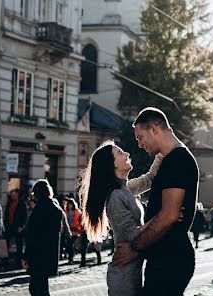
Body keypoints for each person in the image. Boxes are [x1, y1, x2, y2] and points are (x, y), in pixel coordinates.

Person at [111, 107, 200, 295]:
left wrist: (134, 248)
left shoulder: (177, 160)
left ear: (153, 129)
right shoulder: (170, 158)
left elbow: (169, 215)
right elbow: (151, 183)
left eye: (140, 137)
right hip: (165, 258)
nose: (139, 144)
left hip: (170, 259)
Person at [78, 140, 163, 295]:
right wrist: (164, 217)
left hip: (131, 274)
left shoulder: (125, 189)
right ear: (112, 165)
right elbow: (132, 235)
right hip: (123, 280)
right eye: (120, 153)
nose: (127, 154)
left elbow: (150, 178)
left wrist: (161, 150)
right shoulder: (116, 196)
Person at [23, 179, 69, 296]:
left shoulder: (39, 210)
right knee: (42, 286)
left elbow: (32, 235)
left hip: (38, 253)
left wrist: (26, 256)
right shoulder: (56, 209)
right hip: (50, 253)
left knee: (36, 288)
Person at [5, 188, 28, 266]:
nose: (12, 196)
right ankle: (6, 259)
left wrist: (21, 226)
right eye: (11, 195)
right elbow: (7, 214)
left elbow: (25, 216)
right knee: (7, 242)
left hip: (18, 226)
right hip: (10, 225)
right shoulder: (9, 203)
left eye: (14, 195)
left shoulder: (22, 203)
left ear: (17, 195)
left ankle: (18, 260)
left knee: (19, 244)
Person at [63, 198, 83, 263]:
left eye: (71, 205)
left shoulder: (77, 211)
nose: (70, 206)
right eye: (69, 205)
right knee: (68, 244)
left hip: (75, 230)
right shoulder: (66, 211)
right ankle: (72, 254)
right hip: (68, 229)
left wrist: (79, 229)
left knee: (70, 243)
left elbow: (80, 221)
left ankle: (70, 258)